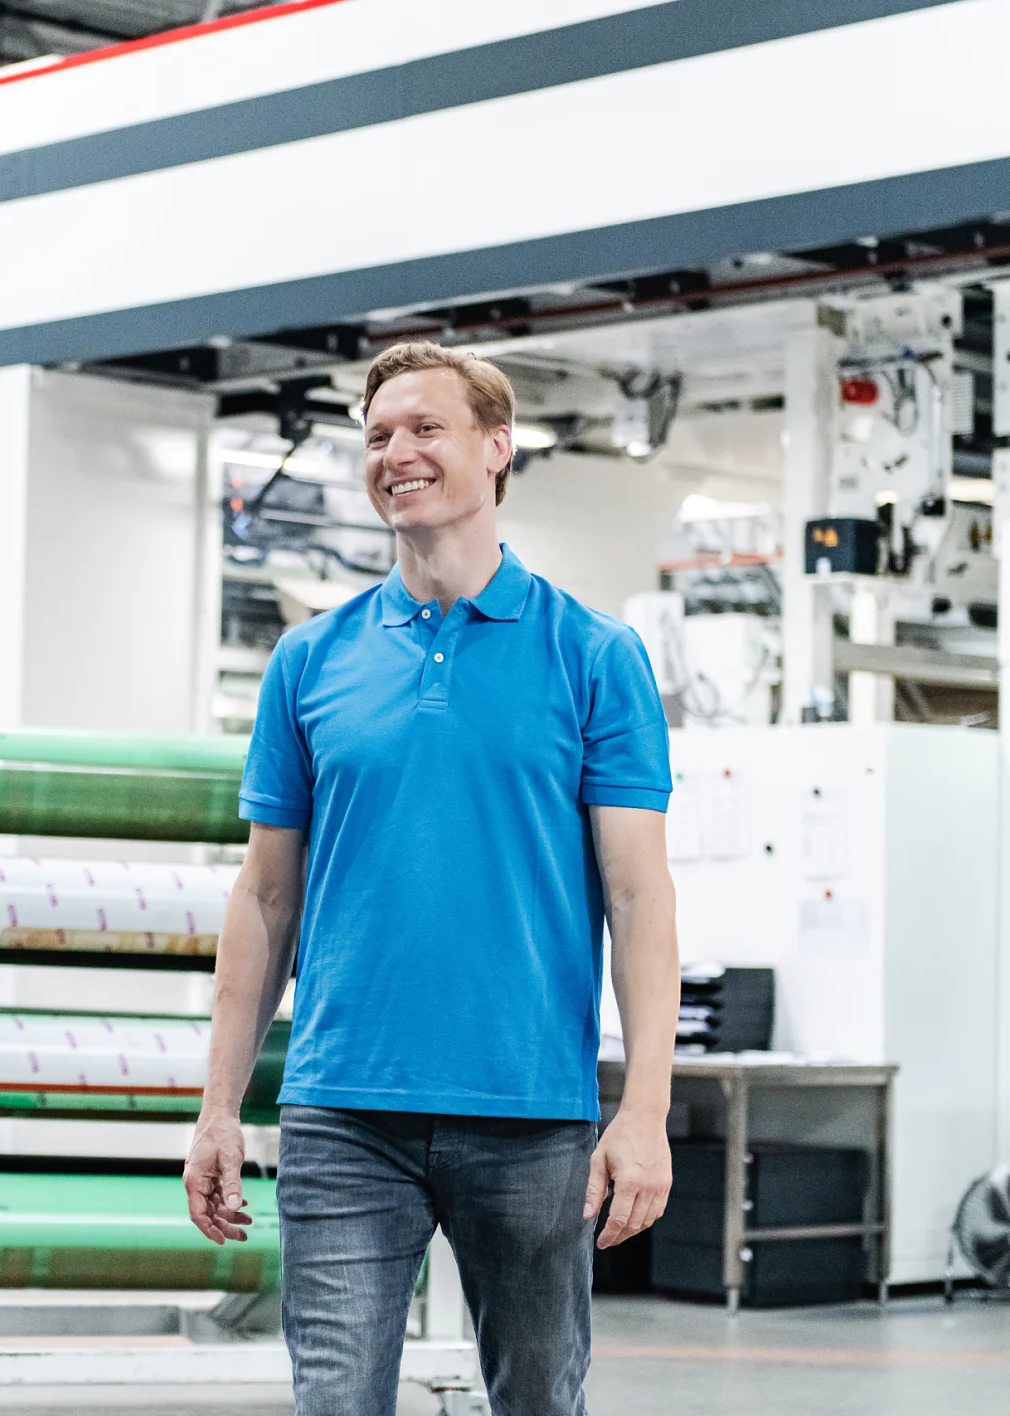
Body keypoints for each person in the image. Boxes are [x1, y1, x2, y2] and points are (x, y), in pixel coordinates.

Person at [184, 342, 679, 1415]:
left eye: (424, 429)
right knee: (335, 1401)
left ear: (497, 449)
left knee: (540, 1400)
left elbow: (640, 898)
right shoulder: (310, 662)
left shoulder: (592, 656)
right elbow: (265, 898)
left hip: (530, 1112)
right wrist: (219, 1106)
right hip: (340, 1112)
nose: (394, 453)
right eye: (376, 436)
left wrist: (643, 1109)